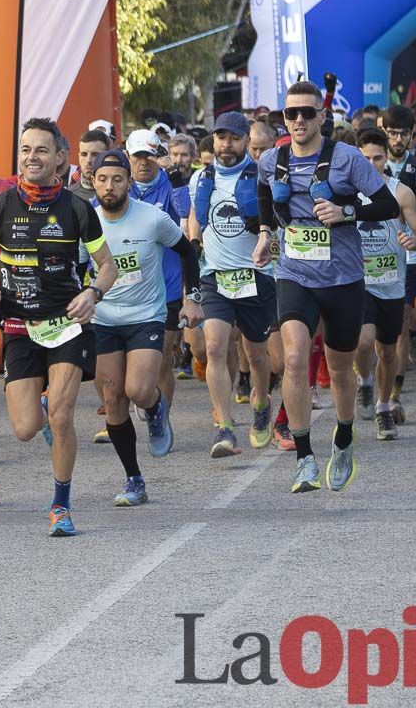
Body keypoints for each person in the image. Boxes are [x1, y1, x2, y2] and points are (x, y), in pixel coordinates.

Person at [0, 118, 117, 537]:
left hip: (68, 324)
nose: (32, 158)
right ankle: (47, 410)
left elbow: (106, 266)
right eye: (25, 150)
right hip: (18, 325)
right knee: (25, 428)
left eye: (41, 150)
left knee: (64, 414)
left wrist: (93, 294)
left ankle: (60, 504)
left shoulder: (76, 210)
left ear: (60, 158)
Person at [255, 80, 399, 493]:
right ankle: (304, 458)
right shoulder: (272, 159)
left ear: (321, 116)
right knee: (296, 358)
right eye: (290, 113)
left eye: (306, 112)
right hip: (294, 273)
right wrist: (266, 232)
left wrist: (346, 210)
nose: (298, 120)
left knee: (340, 367)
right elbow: (264, 192)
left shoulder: (347, 159)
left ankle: (344, 436)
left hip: (343, 277)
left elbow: (386, 205)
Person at [91, 150, 203, 505]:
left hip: (146, 316)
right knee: (113, 400)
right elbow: (71, 267)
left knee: (138, 390)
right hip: (103, 319)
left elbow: (187, 251)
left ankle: (155, 409)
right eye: (102, 179)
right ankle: (133, 479)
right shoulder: (87, 222)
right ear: (92, 182)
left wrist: (193, 297)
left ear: (129, 182)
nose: (110, 187)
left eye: (117, 179)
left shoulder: (152, 218)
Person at [188, 112, 278, 456]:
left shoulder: (261, 177)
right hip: (215, 276)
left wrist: (270, 245)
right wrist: (193, 243)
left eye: (234, 138)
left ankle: (260, 404)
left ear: (245, 141)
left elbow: (274, 218)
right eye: (221, 138)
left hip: (255, 276)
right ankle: (224, 428)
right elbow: (197, 214)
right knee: (214, 347)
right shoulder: (201, 177)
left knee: (256, 354)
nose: (226, 145)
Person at [353, 128, 416, 438]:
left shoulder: (400, 192)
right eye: (365, 158)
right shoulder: (346, 192)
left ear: (387, 158)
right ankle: (364, 381)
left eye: (378, 158)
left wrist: (414, 241)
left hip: (392, 282)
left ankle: (384, 407)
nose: (372, 164)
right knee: (361, 341)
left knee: (387, 351)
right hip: (358, 283)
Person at [125, 129, 186, 413]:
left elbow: (188, 223)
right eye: (139, 156)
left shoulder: (172, 187)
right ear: (128, 157)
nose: (145, 162)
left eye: (151, 156)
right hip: (127, 287)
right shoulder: (118, 187)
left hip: (166, 285)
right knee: (123, 358)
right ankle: (118, 413)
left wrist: (180, 187)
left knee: (161, 355)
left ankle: (161, 415)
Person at [71, 129, 111, 201]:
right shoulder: (69, 196)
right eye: (84, 154)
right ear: (79, 156)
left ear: (107, 157)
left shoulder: (119, 193)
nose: (88, 160)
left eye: (95, 155)